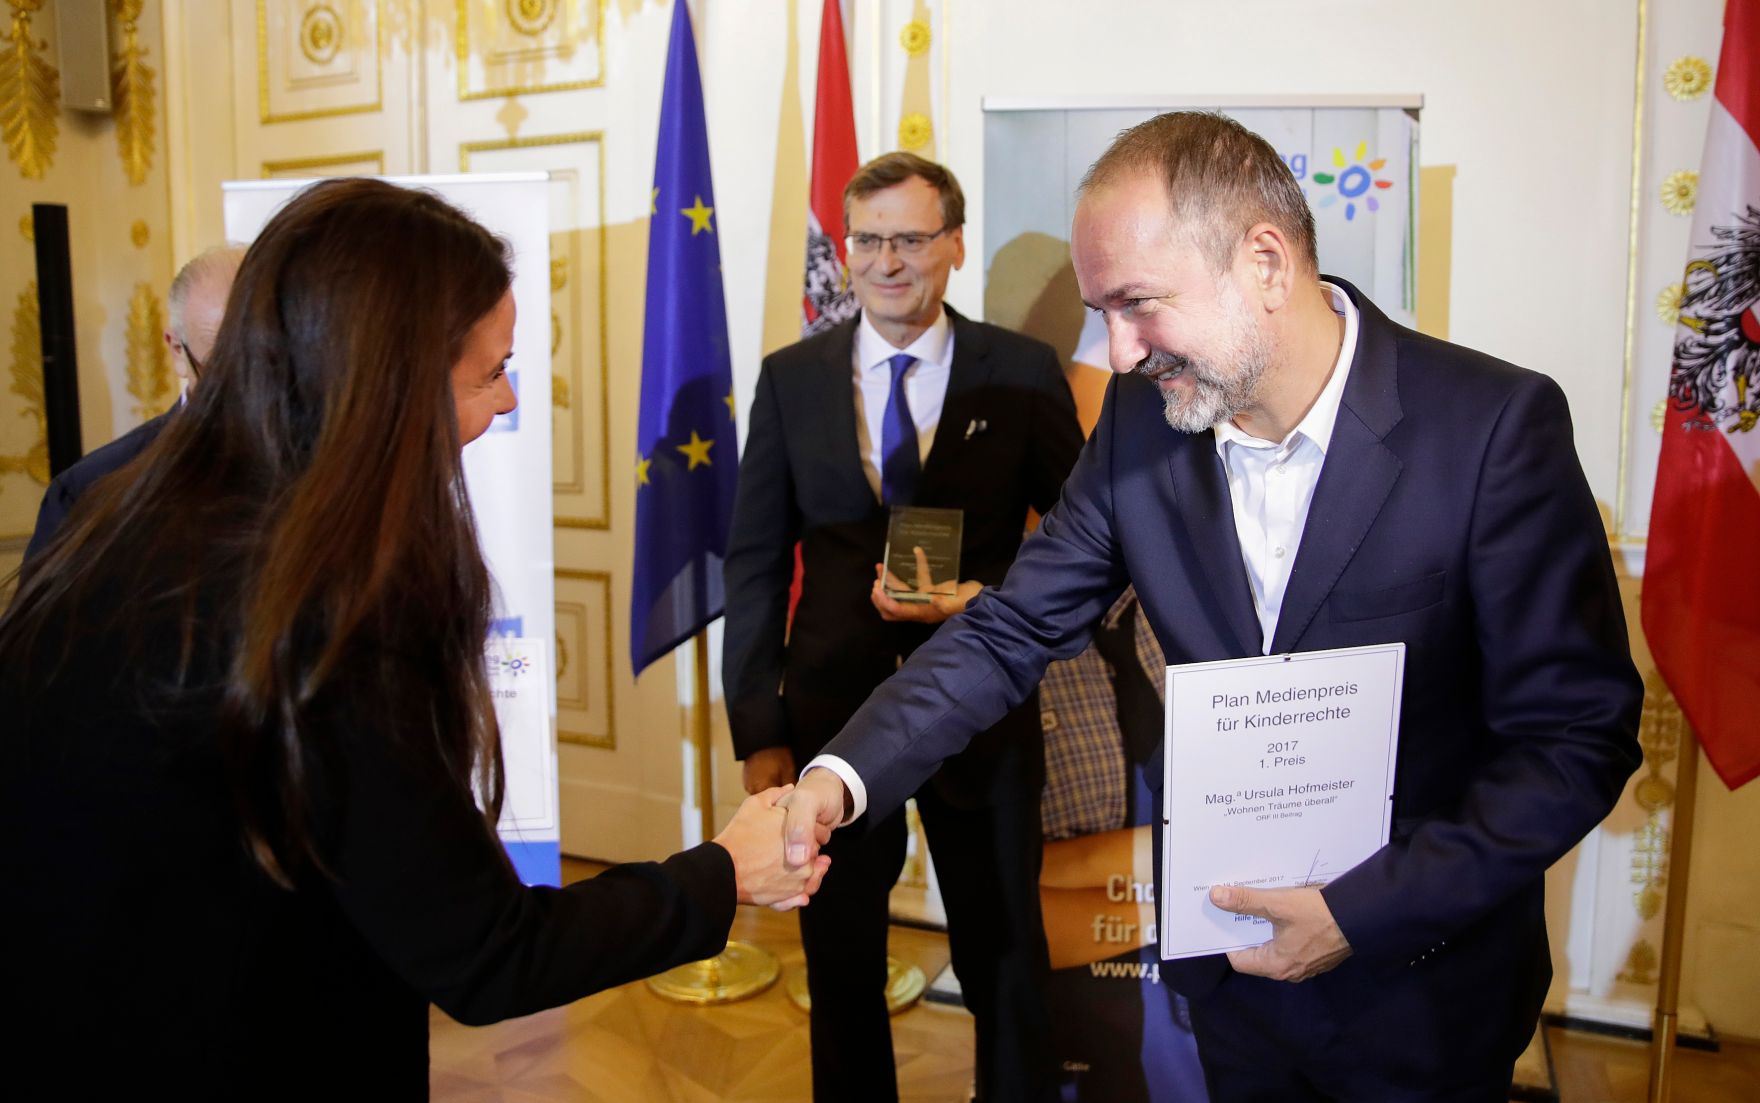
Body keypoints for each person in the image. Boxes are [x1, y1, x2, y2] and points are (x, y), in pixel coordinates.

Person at [782, 112, 1643, 1100]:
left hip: (1421, 990)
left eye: (1138, 304)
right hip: (1230, 982)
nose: (1118, 352)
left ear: (1265, 263)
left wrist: (1361, 911)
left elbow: (1576, 736)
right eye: (1102, 312)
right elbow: (1011, 626)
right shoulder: (1139, 428)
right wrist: (842, 774)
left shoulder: (1490, 428)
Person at [0, 178, 826, 1099]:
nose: (508, 399)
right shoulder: (329, 607)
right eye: (490, 371)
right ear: (389, 383)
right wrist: (724, 870)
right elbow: (487, 951)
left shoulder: (117, 516)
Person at [723, 151, 1083, 1102]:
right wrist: (760, 730)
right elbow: (755, 560)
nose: (887, 262)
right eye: (869, 240)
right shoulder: (791, 378)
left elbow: (1085, 540)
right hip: (831, 721)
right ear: (847, 248)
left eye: (912, 240)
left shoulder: (1022, 372)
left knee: (1005, 957)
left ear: (954, 244)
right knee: (840, 960)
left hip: (982, 712)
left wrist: (980, 599)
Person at [23, 244, 244, 561]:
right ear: (177, 351)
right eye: (224, 365)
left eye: (273, 359)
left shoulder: (317, 466)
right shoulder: (88, 493)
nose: (255, 384)